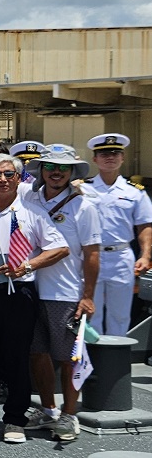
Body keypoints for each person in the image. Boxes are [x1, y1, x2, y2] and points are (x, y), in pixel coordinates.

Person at [0, 153, 68, 444]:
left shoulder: (32, 212)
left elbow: (59, 248)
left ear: (19, 178)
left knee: (16, 357)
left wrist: (26, 267)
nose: (2, 180)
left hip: (16, 294)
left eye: (9, 174)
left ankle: (15, 418)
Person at [23, 146, 100, 443]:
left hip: (66, 292)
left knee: (70, 357)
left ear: (72, 173)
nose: (56, 172)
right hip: (30, 288)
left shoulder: (84, 206)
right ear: (41, 170)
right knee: (37, 353)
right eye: (51, 167)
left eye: (63, 168)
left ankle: (69, 414)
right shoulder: (29, 199)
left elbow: (92, 254)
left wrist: (88, 295)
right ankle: (48, 409)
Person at [84, 133, 152, 337]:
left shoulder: (135, 191)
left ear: (122, 158)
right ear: (95, 159)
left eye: (115, 153)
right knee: (91, 311)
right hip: (90, 256)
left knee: (120, 314)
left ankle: (116, 354)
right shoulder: (82, 188)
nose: (110, 157)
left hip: (121, 257)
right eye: (104, 154)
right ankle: (91, 355)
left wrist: (145, 256)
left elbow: (144, 226)